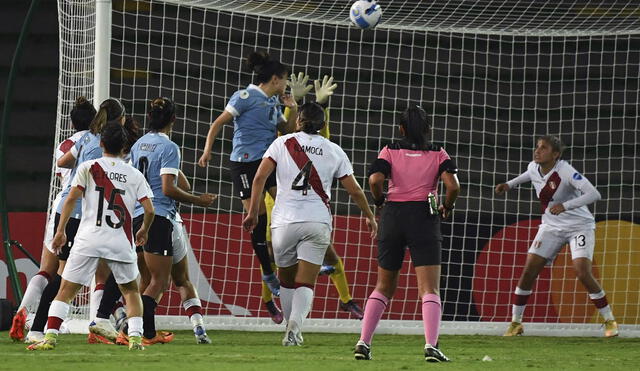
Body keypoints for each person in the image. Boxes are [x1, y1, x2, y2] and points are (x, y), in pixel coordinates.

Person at [242, 102, 377, 346]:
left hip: (283, 223)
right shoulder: (334, 150)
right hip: (317, 222)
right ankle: (295, 327)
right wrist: (369, 215)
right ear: (324, 125)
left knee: (286, 281)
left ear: (297, 122)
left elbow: (260, 177)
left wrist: (253, 212)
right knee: (306, 281)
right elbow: (355, 190)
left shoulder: (281, 143)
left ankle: (289, 326)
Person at [27, 121, 155, 351]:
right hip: (120, 240)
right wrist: (143, 230)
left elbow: (71, 199)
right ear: (125, 145)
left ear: (102, 143)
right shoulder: (134, 174)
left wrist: (60, 231)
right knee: (131, 291)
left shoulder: (88, 167)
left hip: (89, 239)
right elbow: (149, 210)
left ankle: (50, 338)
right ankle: (135, 340)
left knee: (66, 290)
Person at [354, 106, 459, 362]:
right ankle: (431, 346)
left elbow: (374, 180)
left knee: (383, 286)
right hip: (424, 217)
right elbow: (453, 185)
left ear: (401, 129)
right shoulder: (438, 152)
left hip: (393, 217)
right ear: (427, 128)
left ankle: (363, 342)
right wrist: (447, 206)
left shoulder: (389, 150)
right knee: (429, 288)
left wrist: (380, 201)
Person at [260, 74, 364, 323]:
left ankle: (345, 300)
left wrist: (311, 105)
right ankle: (270, 303)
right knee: (273, 262)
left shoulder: (293, 144)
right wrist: (293, 103)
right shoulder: (285, 142)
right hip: (280, 210)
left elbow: (318, 138)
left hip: (291, 214)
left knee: (319, 260)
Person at [22, 98, 126, 345]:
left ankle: (99, 322)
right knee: (67, 275)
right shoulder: (110, 146)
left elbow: (62, 162)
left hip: (73, 212)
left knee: (102, 268)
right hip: (79, 214)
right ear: (119, 119)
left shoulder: (84, 140)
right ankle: (40, 327)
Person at [495, 135, 618, 338]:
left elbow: (594, 194)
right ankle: (516, 323)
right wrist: (509, 184)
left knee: (582, 272)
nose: (537, 151)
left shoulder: (566, 171)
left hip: (579, 226)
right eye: (537, 147)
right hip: (551, 227)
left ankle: (609, 320)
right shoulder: (534, 166)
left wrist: (566, 206)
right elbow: (528, 174)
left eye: (543, 148)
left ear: (555, 154)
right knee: (528, 271)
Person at [198, 51, 298, 297]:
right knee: (258, 219)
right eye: (285, 78)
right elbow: (219, 122)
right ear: (275, 79)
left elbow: (285, 130)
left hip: (267, 164)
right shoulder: (245, 96)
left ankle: (298, 257)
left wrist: (293, 108)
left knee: (290, 205)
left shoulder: (274, 102)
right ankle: (268, 272)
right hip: (243, 166)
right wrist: (208, 149)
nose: (287, 83)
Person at [126, 97, 216, 345]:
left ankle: (198, 329)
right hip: (161, 217)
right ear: (174, 120)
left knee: (153, 280)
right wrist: (198, 201)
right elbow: (168, 189)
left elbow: (175, 181)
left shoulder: (138, 145)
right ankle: (144, 332)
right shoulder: (169, 148)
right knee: (162, 281)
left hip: (138, 216)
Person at [10, 97, 95, 342]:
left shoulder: (65, 144)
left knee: (46, 269)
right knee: (69, 273)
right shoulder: (98, 142)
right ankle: (59, 322)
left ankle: (22, 313)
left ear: (72, 122)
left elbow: (62, 176)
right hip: (80, 208)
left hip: (60, 204)